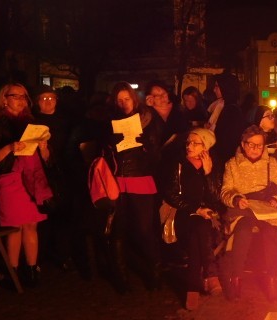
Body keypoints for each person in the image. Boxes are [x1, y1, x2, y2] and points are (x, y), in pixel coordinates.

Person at [94, 81, 162, 293]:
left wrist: (146, 143)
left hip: (141, 179)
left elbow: (158, 153)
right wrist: (113, 142)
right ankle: (121, 278)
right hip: (117, 180)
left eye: (127, 99)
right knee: (118, 230)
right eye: (120, 100)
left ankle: (154, 273)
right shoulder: (109, 121)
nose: (124, 104)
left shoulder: (149, 119)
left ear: (134, 99)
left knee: (144, 230)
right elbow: (102, 149)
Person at [0, 82, 53, 287]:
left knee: (31, 224)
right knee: (14, 227)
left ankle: (32, 270)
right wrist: (10, 147)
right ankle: (13, 272)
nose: (21, 100)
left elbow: (48, 159)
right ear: (4, 99)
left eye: (24, 97)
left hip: (31, 179)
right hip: (11, 179)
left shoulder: (31, 122)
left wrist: (44, 148)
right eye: (16, 96)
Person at [220, 125, 277, 302]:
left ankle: (271, 278)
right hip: (243, 210)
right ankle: (236, 277)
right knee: (243, 231)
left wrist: (275, 201)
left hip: (266, 210)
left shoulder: (272, 165)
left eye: (259, 145)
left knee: (271, 233)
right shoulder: (232, 165)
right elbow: (226, 190)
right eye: (251, 145)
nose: (255, 149)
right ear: (243, 144)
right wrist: (236, 199)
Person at [162, 128, 225, 310]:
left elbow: (215, 198)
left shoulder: (215, 164)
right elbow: (171, 194)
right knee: (198, 227)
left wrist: (208, 174)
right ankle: (211, 275)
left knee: (199, 230)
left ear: (205, 146)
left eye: (195, 143)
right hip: (183, 214)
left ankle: (192, 288)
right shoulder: (179, 164)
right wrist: (196, 209)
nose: (189, 146)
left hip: (208, 216)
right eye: (188, 142)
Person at [32, 85, 77, 271]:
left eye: (51, 98)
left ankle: (63, 254)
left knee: (62, 216)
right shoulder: (32, 122)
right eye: (43, 99)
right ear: (37, 102)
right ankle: (40, 255)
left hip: (63, 173)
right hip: (40, 174)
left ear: (57, 101)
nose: (48, 102)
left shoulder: (66, 121)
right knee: (42, 217)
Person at [207, 73, 246, 163]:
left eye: (217, 86)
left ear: (226, 87)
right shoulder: (221, 106)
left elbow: (226, 139)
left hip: (225, 159)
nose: (214, 89)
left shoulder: (231, 110)